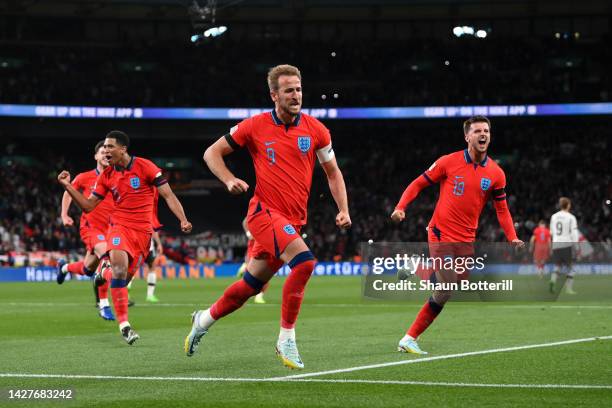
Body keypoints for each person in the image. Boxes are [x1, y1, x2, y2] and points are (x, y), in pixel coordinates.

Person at [184, 64, 351, 369]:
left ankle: (203, 319)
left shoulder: (316, 130)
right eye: (289, 90)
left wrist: (343, 209)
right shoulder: (254, 126)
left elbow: (333, 172)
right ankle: (286, 339)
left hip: (293, 221)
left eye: (299, 89)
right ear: (274, 95)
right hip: (264, 213)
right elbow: (212, 153)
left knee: (249, 287)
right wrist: (228, 179)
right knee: (305, 262)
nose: (296, 95)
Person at [391, 115, 524, 355]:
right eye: (477, 131)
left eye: (486, 130)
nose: (483, 134)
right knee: (446, 287)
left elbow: (502, 209)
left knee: (455, 285)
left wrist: (512, 236)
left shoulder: (496, 173)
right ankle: (409, 338)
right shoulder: (448, 162)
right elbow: (418, 184)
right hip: (441, 232)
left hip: (466, 238)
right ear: (467, 136)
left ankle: (416, 267)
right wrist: (401, 207)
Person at [57, 130, 192, 345]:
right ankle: (125, 326)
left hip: (143, 234)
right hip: (118, 227)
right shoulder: (106, 175)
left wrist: (183, 219)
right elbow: (88, 206)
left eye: (110, 147)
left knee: (122, 279)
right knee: (118, 270)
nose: (107, 151)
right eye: (105, 148)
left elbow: (168, 195)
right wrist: (67, 186)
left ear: (123, 149)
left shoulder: (145, 167)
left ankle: (103, 271)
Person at [57, 140, 115, 321]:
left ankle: (64, 267)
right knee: (107, 257)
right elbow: (68, 191)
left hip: (111, 228)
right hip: (91, 227)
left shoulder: (117, 177)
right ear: (96, 156)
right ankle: (104, 305)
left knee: (88, 268)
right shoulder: (85, 177)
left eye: (108, 151)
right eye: (102, 151)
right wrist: (64, 214)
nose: (106, 154)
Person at [549, 197, 579, 294]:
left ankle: (553, 280)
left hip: (556, 243)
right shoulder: (571, 217)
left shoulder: (554, 216)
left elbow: (552, 232)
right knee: (571, 267)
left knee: (558, 266)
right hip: (566, 244)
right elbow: (574, 233)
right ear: (568, 205)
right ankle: (569, 289)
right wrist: (576, 245)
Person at [236, 216, 267, 304]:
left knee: (264, 273)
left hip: (264, 243)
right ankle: (245, 266)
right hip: (255, 243)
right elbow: (245, 221)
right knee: (255, 272)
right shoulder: (258, 208)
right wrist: (248, 233)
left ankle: (259, 296)